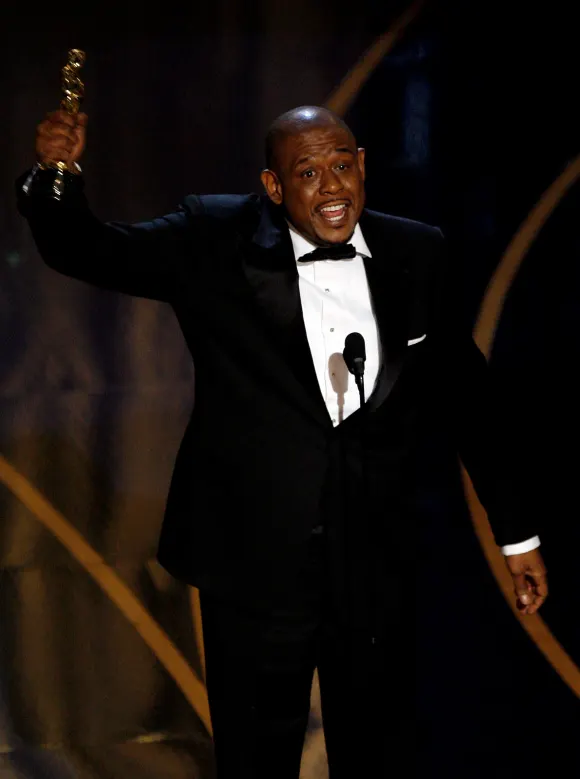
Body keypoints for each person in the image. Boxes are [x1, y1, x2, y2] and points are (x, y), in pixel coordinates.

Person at [17, 105, 547, 778]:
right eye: (308, 172)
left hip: (375, 560)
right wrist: (56, 176)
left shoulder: (417, 251)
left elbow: (467, 393)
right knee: (258, 755)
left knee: (381, 749)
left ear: (362, 168)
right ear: (272, 187)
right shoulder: (212, 237)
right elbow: (86, 248)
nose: (331, 187)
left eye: (341, 165)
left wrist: (517, 536)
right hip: (254, 563)